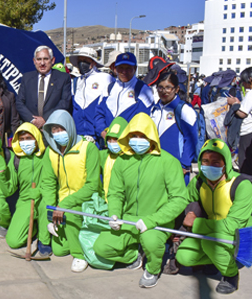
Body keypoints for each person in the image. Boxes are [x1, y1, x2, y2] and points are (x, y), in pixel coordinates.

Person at [93, 112, 187, 288]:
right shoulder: (122, 161)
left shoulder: (168, 162)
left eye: (142, 136)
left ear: (151, 136)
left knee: (151, 242)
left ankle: (152, 268)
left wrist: (151, 220)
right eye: (133, 136)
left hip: (156, 221)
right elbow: (115, 193)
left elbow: (179, 199)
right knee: (101, 247)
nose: (137, 140)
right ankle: (135, 255)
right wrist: (114, 213)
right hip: (128, 218)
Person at [176, 139, 252, 294]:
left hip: (240, 234)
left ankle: (231, 275)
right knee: (183, 255)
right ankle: (216, 259)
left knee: (210, 244)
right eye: (205, 161)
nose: (209, 166)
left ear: (225, 162)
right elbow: (182, 201)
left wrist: (197, 224)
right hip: (211, 231)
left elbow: (233, 225)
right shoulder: (200, 182)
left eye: (216, 162)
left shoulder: (241, 185)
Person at [41, 109, 101, 272]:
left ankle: (80, 254)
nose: (58, 133)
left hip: (85, 201)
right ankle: (76, 236)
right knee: (59, 251)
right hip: (62, 204)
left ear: (70, 128)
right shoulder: (51, 151)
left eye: (61, 129)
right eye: (54, 130)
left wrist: (65, 205)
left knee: (71, 212)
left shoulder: (87, 148)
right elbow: (47, 183)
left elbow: (92, 185)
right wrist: (51, 210)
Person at [150, 71, 198, 184]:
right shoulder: (154, 110)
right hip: (154, 165)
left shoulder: (184, 110)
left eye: (168, 88)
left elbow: (192, 139)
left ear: (176, 89)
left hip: (177, 168)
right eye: (160, 87)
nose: (164, 91)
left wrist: (184, 165)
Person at [5, 122, 47, 250]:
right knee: (13, 241)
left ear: (37, 138)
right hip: (25, 201)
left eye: (29, 138)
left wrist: (40, 192)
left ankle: (43, 236)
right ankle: (33, 227)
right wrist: (0, 174)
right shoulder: (16, 159)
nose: (25, 142)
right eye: (21, 139)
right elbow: (9, 188)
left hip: (45, 200)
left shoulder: (47, 155)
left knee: (59, 249)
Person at [95, 52, 154, 140]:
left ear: (135, 68)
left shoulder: (143, 89)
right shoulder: (109, 88)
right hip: (107, 143)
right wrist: (103, 132)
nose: (124, 72)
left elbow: (144, 119)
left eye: (128, 68)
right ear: (115, 69)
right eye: (121, 68)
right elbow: (99, 114)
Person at [16, 45, 72, 129]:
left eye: (46, 59)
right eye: (39, 59)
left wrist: (45, 119)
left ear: (52, 60)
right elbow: (19, 102)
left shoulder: (63, 78)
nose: (42, 63)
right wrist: (32, 120)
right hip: (31, 128)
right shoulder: (26, 78)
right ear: (34, 61)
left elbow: (64, 102)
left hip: (53, 127)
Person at [70, 47, 114, 142]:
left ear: (93, 63)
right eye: (80, 60)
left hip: (97, 137)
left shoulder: (105, 78)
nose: (82, 63)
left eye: (85, 60)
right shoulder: (75, 82)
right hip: (78, 136)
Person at [99, 117, 128, 201]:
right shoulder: (104, 155)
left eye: (116, 139)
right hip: (105, 202)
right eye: (110, 139)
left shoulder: (131, 158)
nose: (112, 143)